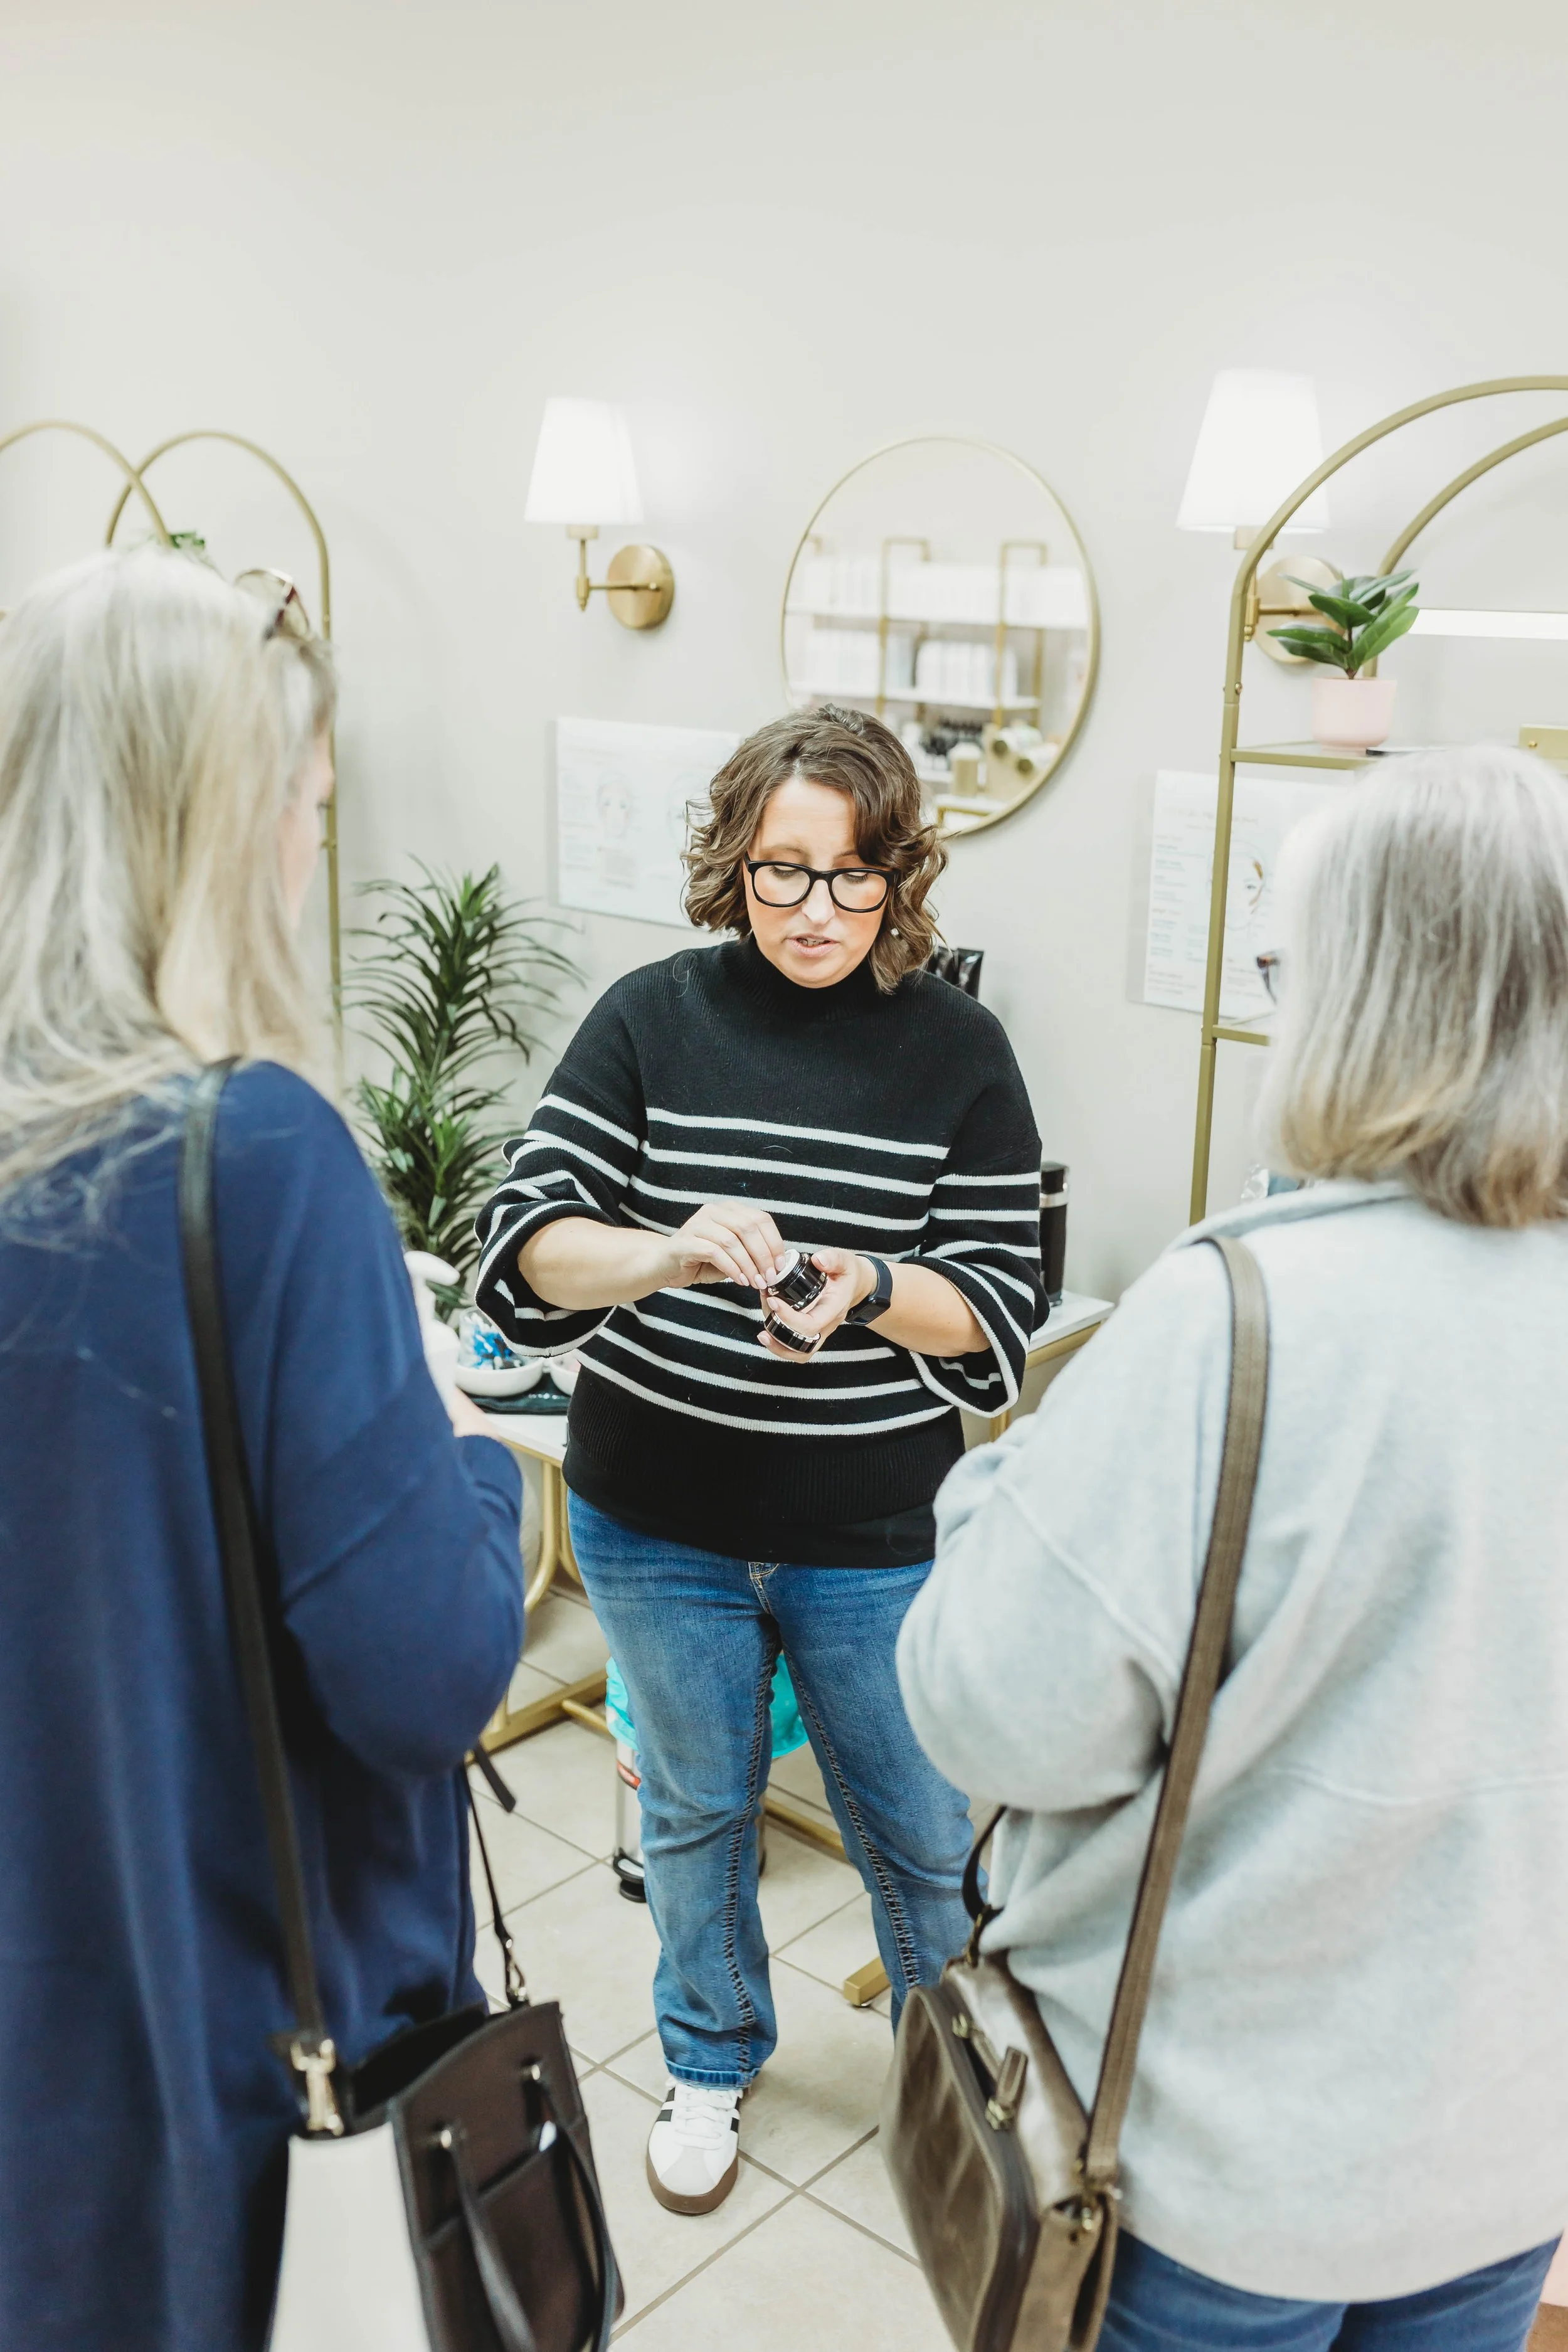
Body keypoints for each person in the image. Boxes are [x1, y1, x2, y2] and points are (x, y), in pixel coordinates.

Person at [898, 743, 1568, 2350]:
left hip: (1216, 2176)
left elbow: (996, 1715)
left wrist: (988, 1493)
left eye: (1286, 962)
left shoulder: (1239, 1316)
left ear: (1362, 995)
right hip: (1502, 2153)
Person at [0, 549, 524, 2352]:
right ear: (212, 828)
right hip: (223, 2051)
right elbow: (422, 1674)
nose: (315, 852)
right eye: (302, 808)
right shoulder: (251, 1158)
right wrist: (471, 1455)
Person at [475, 706, 1046, 2214]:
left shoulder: (958, 1050)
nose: (815, 911)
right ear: (730, 864)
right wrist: (664, 1255)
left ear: (899, 878)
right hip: (652, 1519)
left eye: (853, 877)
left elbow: (999, 1303)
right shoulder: (651, 1015)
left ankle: (959, 2091)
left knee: (917, 1837)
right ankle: (711, 2057)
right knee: (695, 1810)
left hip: (868, 1528)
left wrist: (862, 1286)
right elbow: (527, 1246)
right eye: (781, 873)